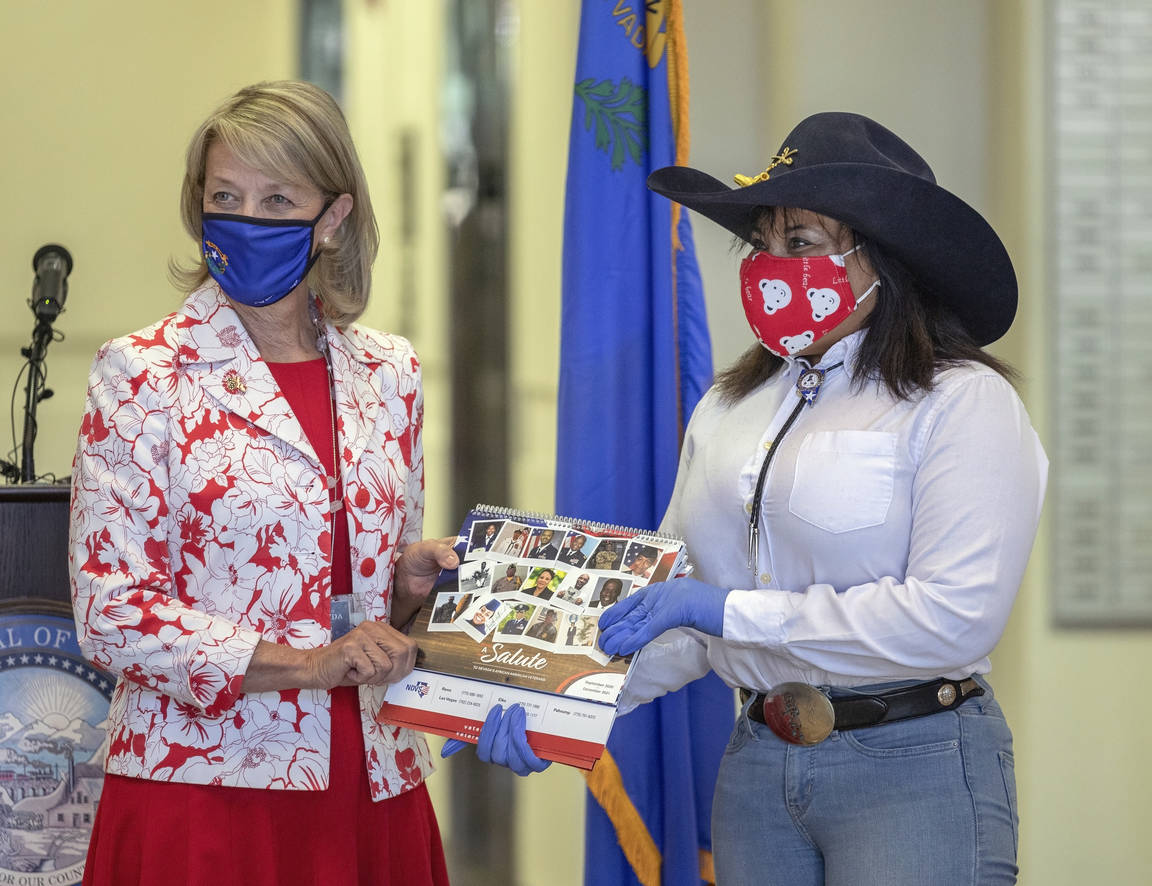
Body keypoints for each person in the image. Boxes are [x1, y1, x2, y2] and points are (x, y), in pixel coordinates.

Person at [68, 80, 518, 886]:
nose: (246, 220)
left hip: (372, 779)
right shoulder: (141, 374)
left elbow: (363, 609)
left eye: (278, 199)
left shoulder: (390, 372)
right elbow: (111, 614)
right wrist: (308, 664)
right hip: (203, 790)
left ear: (333, 217)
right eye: (225, 197)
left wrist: (405, 588)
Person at [598, 112, 1047, 885]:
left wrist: (728, 611)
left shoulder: (962, 404)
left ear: (883, 259)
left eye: (800, 242)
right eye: (762, 244)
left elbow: (951, 616)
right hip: (759, 765)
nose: (771, 265)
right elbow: (672, 607)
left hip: (916, 765)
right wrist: (560, 705)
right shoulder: (727, 408)